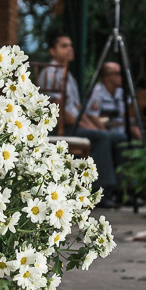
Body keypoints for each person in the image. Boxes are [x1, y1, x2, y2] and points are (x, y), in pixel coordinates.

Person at [37, 30, 124, 208]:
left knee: (119, 138)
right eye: (64, 46)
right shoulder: (51, 73)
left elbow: (78, 109)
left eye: (70, 45)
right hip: (59, 128)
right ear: (52, 51)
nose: (70, 49)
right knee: (102, 138)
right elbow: (59, 111)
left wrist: (93, 126)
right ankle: (99, 192)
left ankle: (122, 190)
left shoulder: (68, 75)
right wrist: (89, 127)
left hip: (74, 125)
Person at [83, 62, 142, 141]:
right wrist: (107, 135)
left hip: (123, 135)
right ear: (107, 76)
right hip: (107, 136)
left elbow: (130, 115)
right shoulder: (97, 93)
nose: (122, 77)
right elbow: (92, 116)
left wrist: (138, 135)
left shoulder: (122, 93)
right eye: (119, 74)